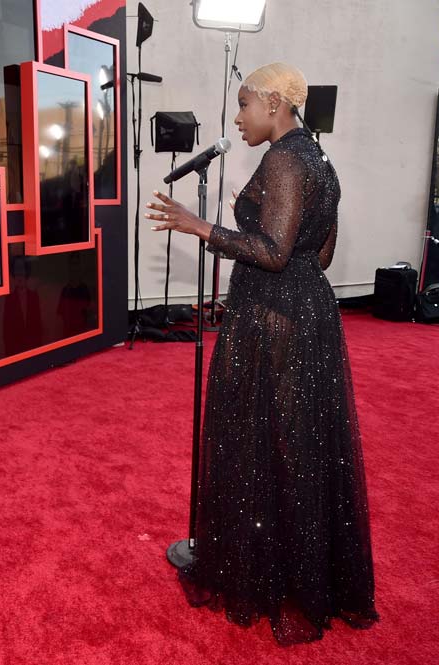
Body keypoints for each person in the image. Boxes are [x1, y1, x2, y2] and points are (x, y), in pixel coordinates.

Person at [146, 62, 378, 645]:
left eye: (245, 105)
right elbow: (319, 256)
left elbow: (273, 252)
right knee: (298, 444)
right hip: (313, 316)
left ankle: (262, 574)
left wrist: (200, 227)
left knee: (261, 441)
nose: (238, 117)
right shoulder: (321, 161)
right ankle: (308, 575)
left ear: (275, 103)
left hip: (270, 319)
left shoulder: (282, 160)